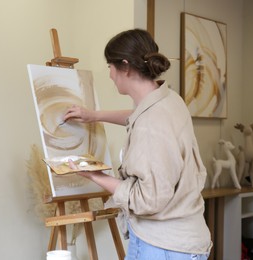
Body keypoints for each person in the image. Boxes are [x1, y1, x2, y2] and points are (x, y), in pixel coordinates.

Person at [63, 28, 212, 260]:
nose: (110, 75)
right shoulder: (169, 100)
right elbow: (139, 117)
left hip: (161, 247)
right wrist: (93, 115)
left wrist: (94, 175)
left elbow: (148, 200)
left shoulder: (151, 124)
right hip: (185, 241)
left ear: (125, 66)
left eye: (110, 67)